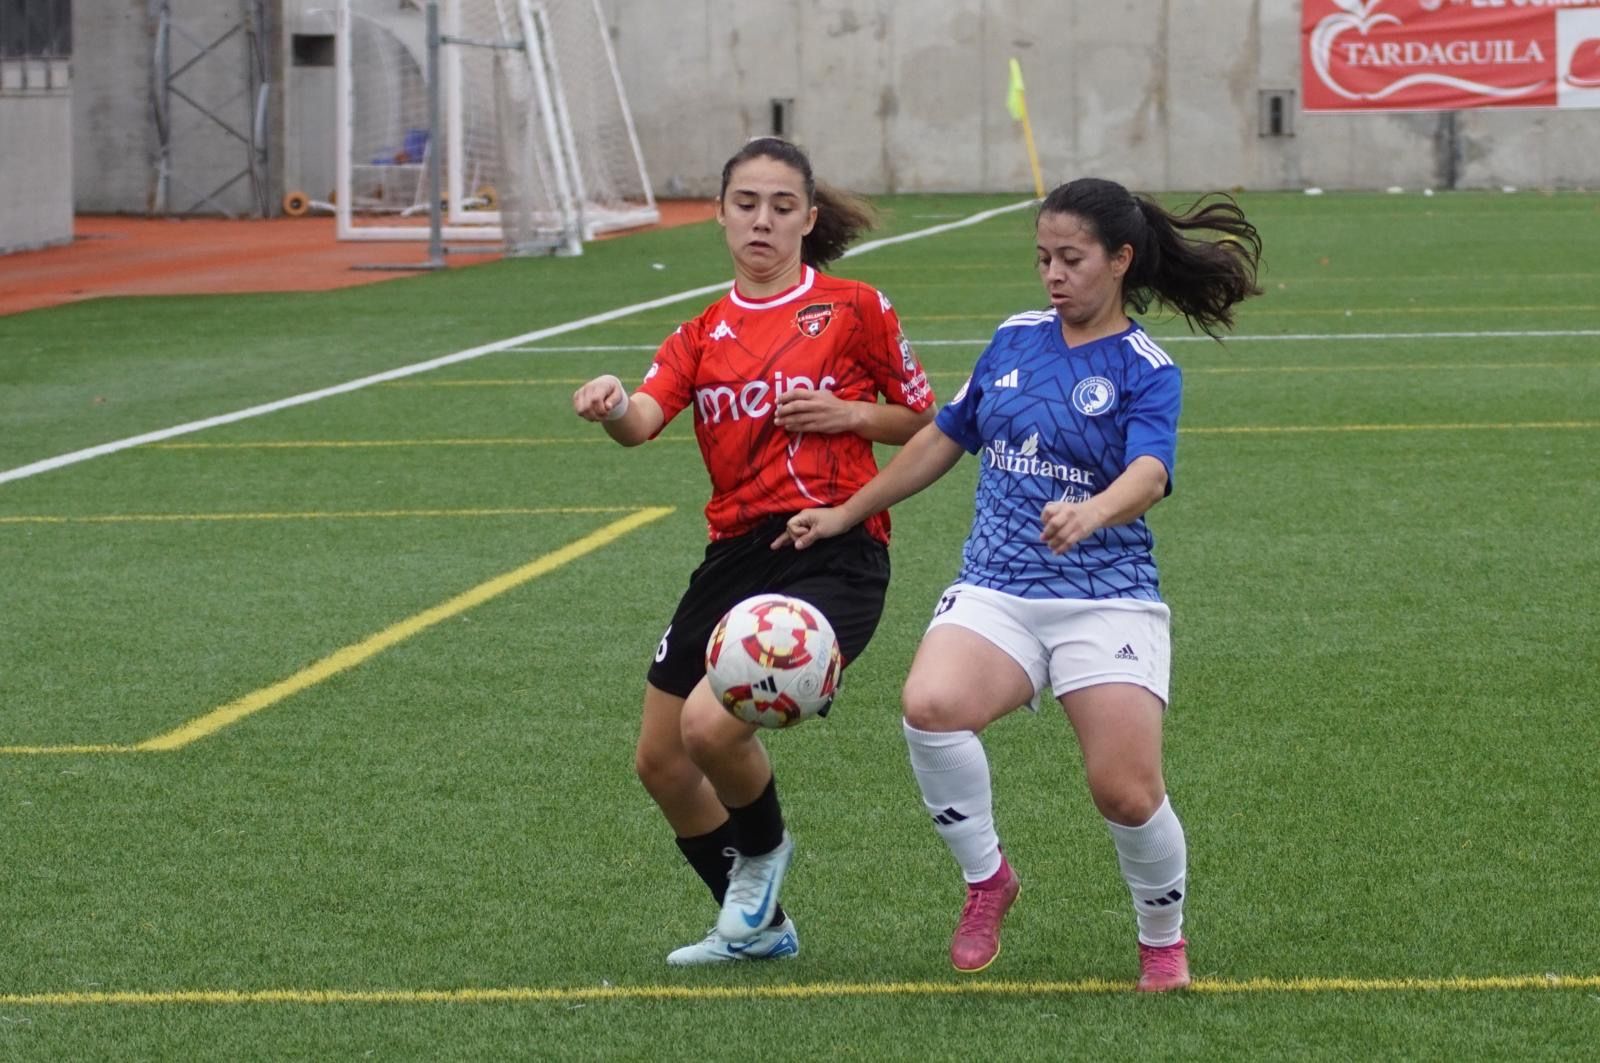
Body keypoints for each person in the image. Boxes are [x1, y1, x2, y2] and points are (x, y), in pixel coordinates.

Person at [777, 177, 1262, 991]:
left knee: (1126, 791)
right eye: (1042, 258)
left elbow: (1149, 472)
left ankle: (1161, 940)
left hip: (1106, 593)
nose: (1053, 275)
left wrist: (1093, 512)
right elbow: (941, 437)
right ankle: (987, 879)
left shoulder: (1146, 367)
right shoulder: (1013, 340)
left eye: (1071, 258)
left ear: (1120, 260)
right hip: (997, 587)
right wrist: (842, 514)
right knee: (929, 707)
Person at [572, 137, 936, 965]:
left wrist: (852, 417)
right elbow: (644, 420)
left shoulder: (855, 307)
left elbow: (931, 420)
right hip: (735, 553)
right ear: (720, 213)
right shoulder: (701, 332)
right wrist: (610, 404)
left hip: (832, 546)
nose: (762, 221)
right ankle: (762, 931)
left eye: (781, 206)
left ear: (809, 218)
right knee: (660, 760)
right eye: (746, 203)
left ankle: (764, 851)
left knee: (709, 725)